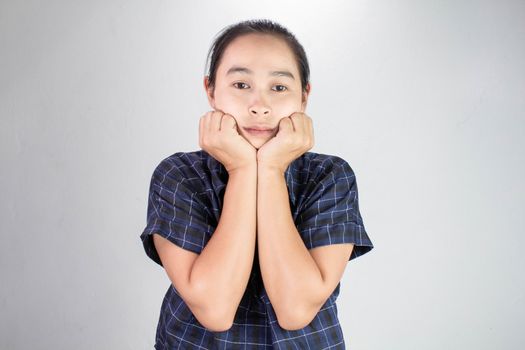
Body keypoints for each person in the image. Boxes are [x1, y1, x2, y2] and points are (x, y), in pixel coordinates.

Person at [140, 18, 374, 349]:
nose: (259, 107)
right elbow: (215, 310)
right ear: (210, 90)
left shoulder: (329, 176)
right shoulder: (179, 175)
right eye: (241, 85)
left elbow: (295, 310)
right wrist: (241, 170)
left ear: (304, 96)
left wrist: (270, 170)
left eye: (279, 88)